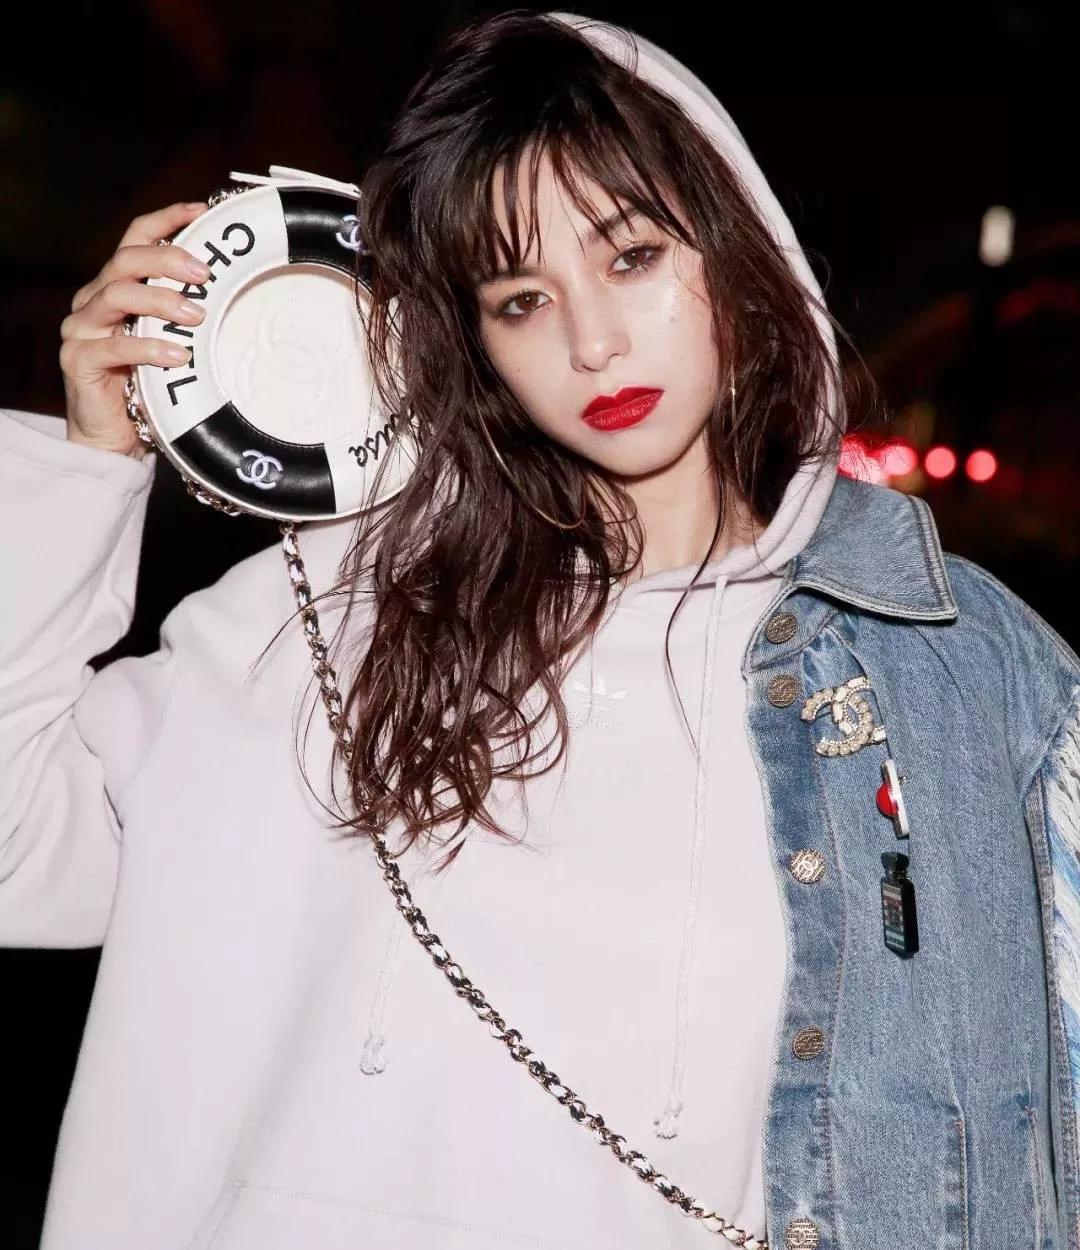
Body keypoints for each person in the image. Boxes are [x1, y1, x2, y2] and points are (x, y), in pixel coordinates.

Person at [2, 9, 1079, 1250]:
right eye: (522, 298)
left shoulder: (949, 669)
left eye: (633, 256)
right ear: (471, 338)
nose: (592, 341)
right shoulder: (327, 612)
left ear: (737, 249)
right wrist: (88, 462)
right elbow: (18, 849)